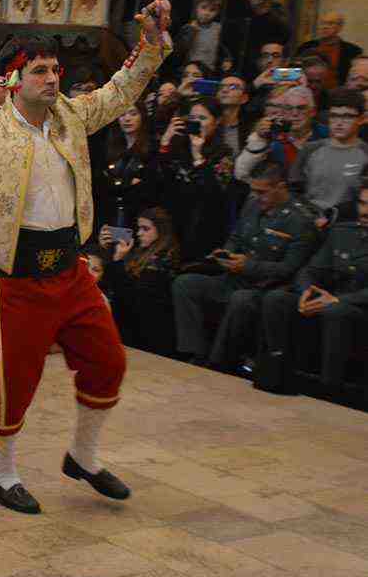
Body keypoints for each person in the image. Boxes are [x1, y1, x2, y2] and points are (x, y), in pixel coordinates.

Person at [0, 0, 173, 514]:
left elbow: (121, 90)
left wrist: (151, 43)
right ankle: (1, 473)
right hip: (12, 277)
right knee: (16, 381)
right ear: (13, 80)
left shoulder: (72, 116)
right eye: (40, 71)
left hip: (69, 270)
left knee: (108, 361)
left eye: (55, 70)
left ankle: (83, 455)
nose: (53, 79)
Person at [172, 161, 319, 370]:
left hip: (267, 289)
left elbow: (290, 268)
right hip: (235, 278)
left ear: (281, 187)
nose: (256, 197)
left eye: (262, 192)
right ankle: (195, 352)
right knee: (185, 283)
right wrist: (226, 254)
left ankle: (219, 362)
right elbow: (236, 237)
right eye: (253, 191)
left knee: (241, 299)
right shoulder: (252, 205)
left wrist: (248, 266)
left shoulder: (301, 220)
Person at [257, 179, 368, 394]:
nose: (365, 212)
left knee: (337, 311)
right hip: (327, 301)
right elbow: (311, 270)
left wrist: (337, 300)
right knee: (277, 299)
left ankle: (329, 389)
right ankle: (276, 372)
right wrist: (306, 291)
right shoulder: (343, 232)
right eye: (363, 204)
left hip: (358, 308)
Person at [158, 96, 239, 264]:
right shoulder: (178, 147)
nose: (196, 123)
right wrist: (165, 142)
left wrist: (198, 155)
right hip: (173, 222)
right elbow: (160, 181)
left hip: (204, 227)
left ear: (216, 122)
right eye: (193, 118)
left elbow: (215, 194)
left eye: (202, 118)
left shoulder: (224, 154)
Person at [99, 207, 181, 357]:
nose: (139, 233)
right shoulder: (140, 252)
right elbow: (112, 283)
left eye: (146, 229)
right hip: (132, 328)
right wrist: (106, 250)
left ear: (161, 231)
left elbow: (131, 298)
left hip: (148, 337)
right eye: (139, 228)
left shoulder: (162, 259)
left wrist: (118, 259)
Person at [290, 88, 368, 223]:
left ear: (361, 119)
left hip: (347, 228)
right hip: (308, 225)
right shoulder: (310, 149)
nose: (339, 122)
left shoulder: (366, 154)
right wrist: (310, 216)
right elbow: (293, 191)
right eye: (334, 116)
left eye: (347, 116)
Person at [95, 102, 157, 229]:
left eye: (133, 114)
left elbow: (149, 188)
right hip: (111, 214)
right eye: (122, 114)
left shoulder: (152, 148)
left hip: (139, 216)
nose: (127, 119)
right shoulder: (109, 147)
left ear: (142, 116)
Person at [296, 12, 364, 90]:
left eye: (330, 23)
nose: (325, 27)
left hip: (339, 95)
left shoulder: (353, 51)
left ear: (340, 27)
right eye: (322, 23)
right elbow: (295, 72)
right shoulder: (305, 47)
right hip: (308, 91)